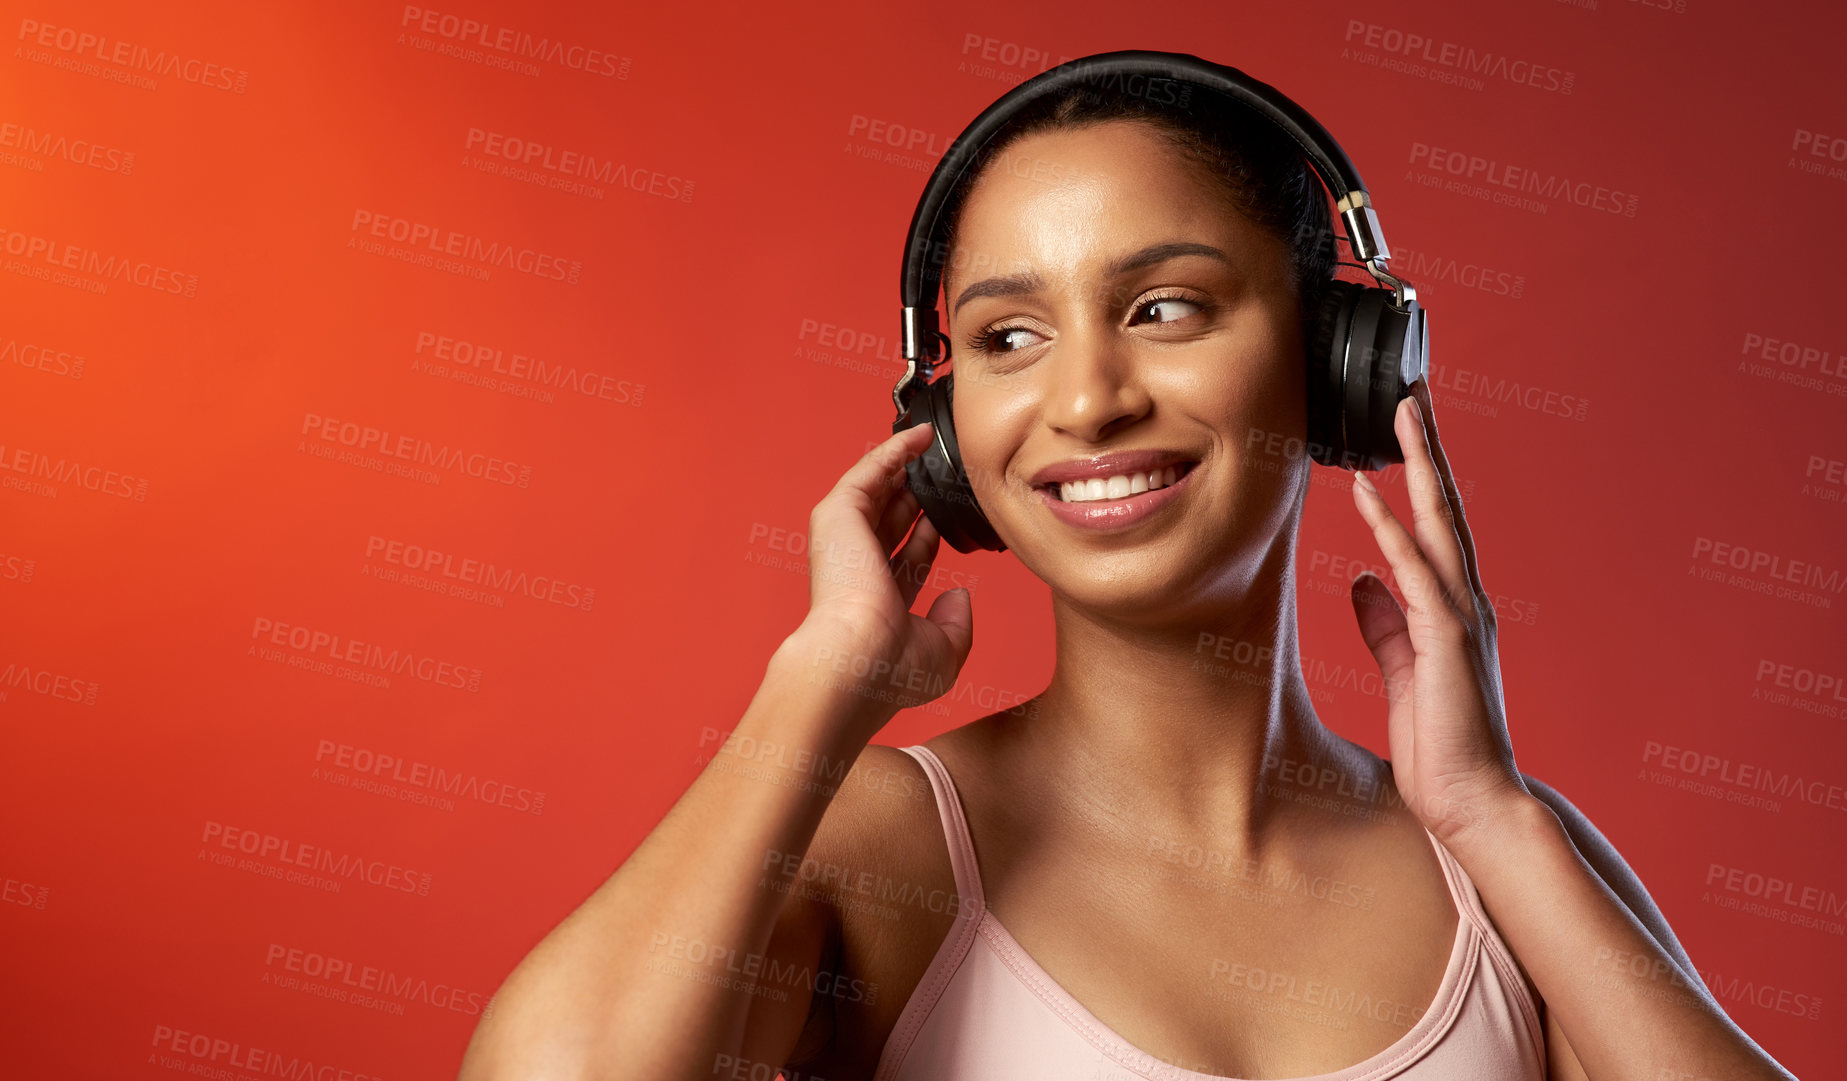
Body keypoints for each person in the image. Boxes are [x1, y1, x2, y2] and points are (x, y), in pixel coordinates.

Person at [456, 78, 1800, 1081]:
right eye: (1009, 334)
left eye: (1164, 308)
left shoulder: (1500, 867)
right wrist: (812, 692)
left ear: (1340, 361)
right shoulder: (890, 845)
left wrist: (1490, 813)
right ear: (940, 431)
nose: (1087, 397)